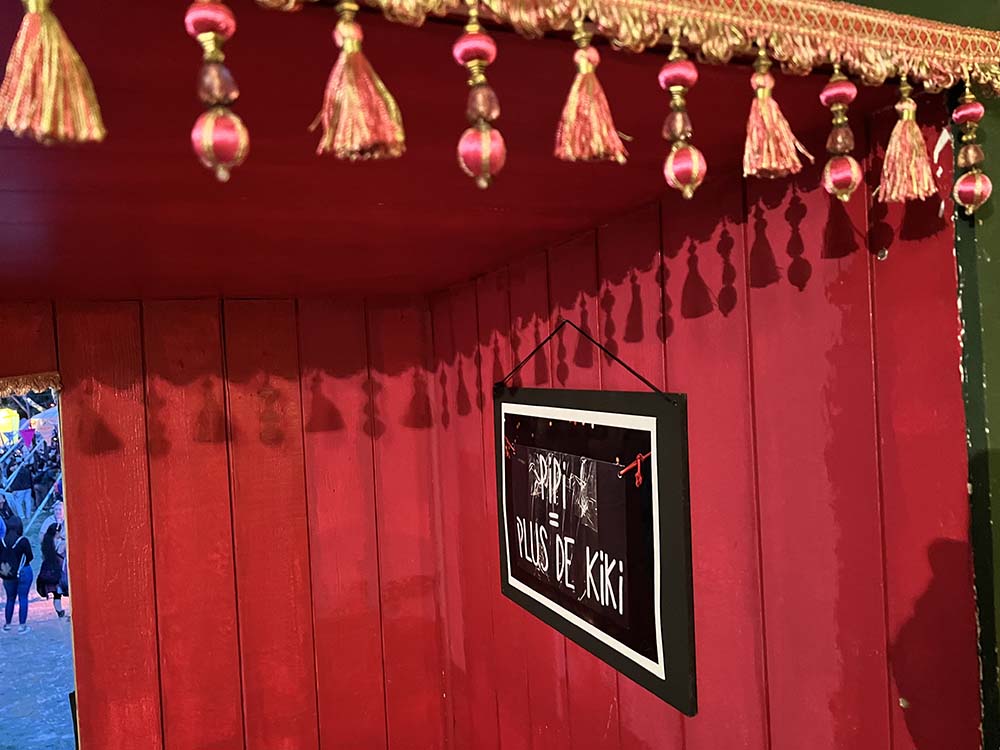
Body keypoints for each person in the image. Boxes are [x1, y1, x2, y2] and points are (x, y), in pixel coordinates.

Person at [0, 515, 33, 633]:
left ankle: (7, 624)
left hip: (7, 572)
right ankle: (22, 625)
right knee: (23, 598)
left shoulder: (2, 541)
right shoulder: (23, 541)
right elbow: (30, 557)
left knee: (10, 598)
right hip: (23, 571)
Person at [37, 515, 68, 619]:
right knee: (64, 590)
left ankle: (59, 611)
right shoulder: (62, 543)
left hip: (49, 569)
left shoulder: (46, 543)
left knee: (56, 594)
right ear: (57, 532)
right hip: (60, 569)